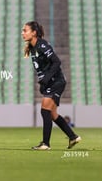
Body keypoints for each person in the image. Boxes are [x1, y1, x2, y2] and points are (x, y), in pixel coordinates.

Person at [22, 21, 81, 150]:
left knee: (44, 110)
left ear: (34, 33)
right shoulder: (32, 48)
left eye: (25, 30)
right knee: (53, 114)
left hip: (56, 81)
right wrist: (43, 82)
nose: (23, 33)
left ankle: (45, 144)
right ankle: (72, 136)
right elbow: (41, 69)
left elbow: (56, 61)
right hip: (51, 82)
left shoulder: (42, 45)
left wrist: (46, 79)